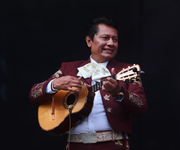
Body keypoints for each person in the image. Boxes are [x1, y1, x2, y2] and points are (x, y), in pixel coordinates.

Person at [29, 17, 147, 150]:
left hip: (113, 145)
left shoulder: (127, 70)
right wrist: (54, 84)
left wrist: (118, 92)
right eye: (105, 38)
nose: (111, 43)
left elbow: (141, 107)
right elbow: (34, 94)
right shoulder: (69, 68)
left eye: (115, 39)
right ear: (89, 41)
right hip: (75, 146)